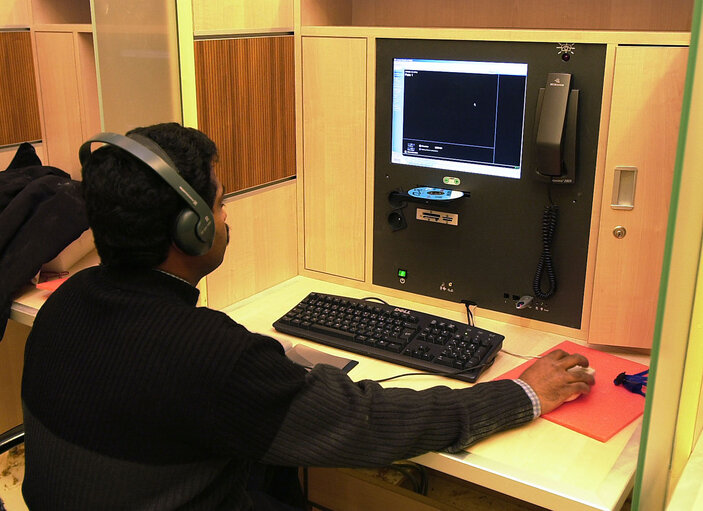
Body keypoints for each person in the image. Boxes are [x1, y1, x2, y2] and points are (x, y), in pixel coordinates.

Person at [21, 122, 595, 510]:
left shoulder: (65, 302)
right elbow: (369, 423)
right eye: (220, 203)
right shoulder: (213, 359)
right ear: (189, 229)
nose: (225, 217)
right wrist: (522, 393)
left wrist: (270, 378)